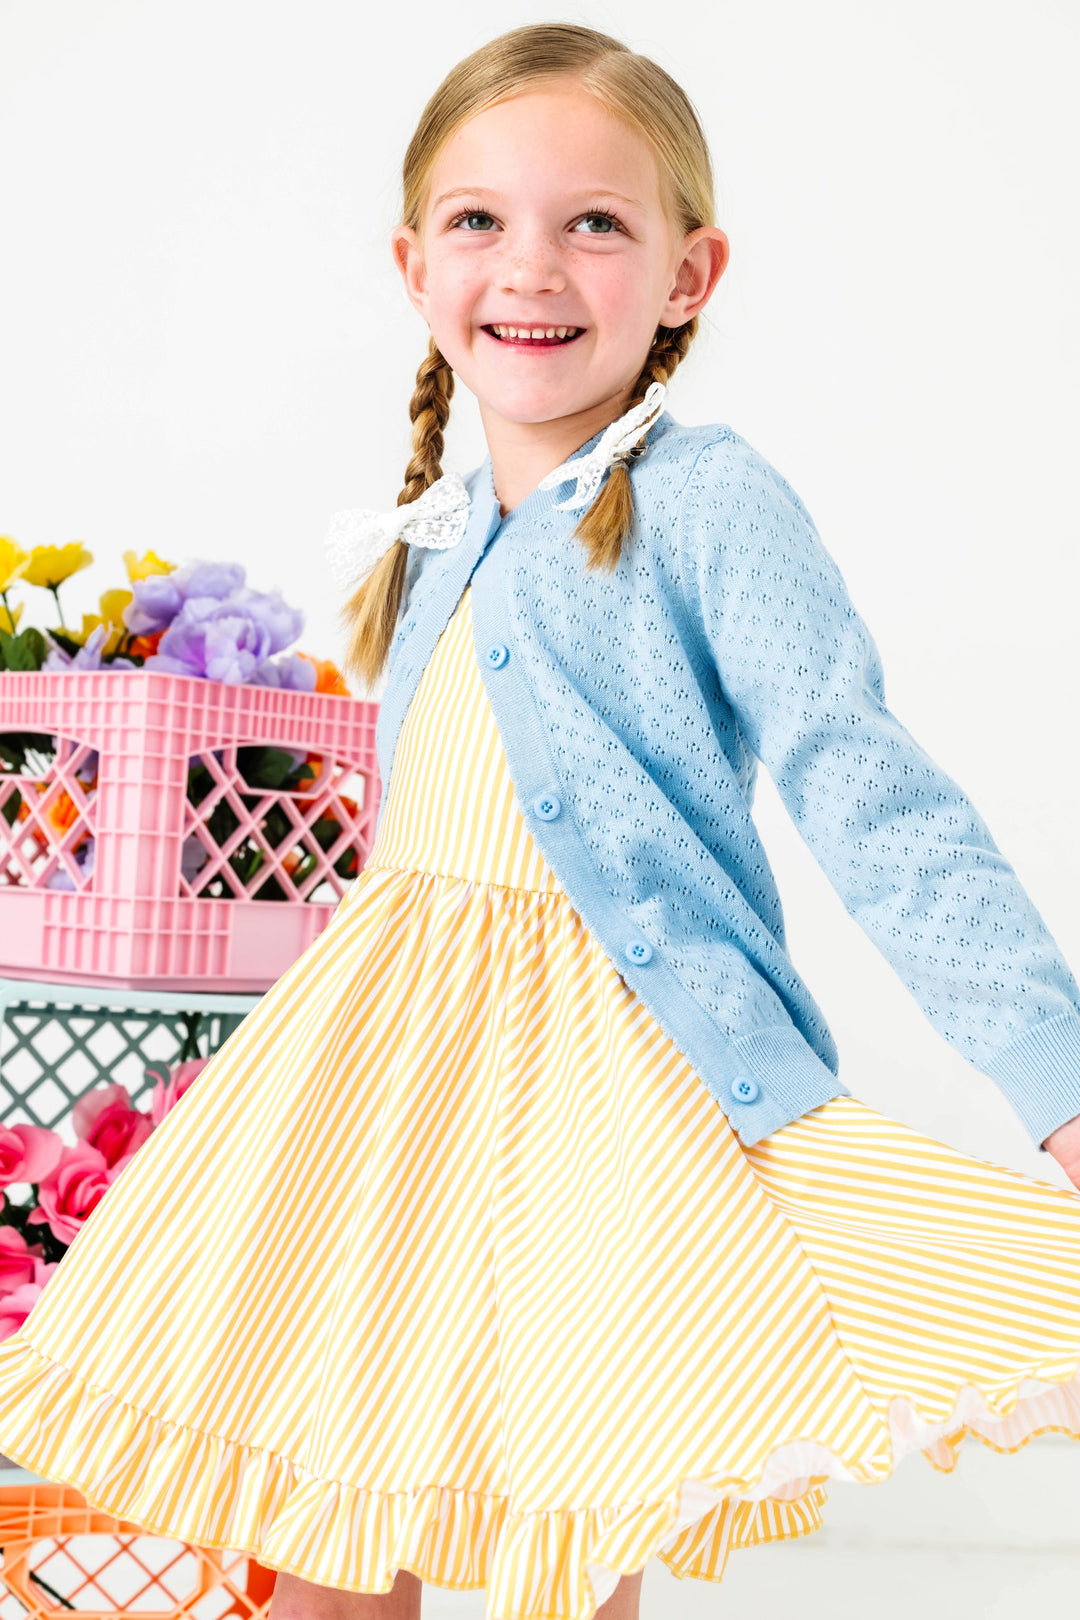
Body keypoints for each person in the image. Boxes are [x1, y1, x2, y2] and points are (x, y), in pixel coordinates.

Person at [0, 20, 1077, 1620]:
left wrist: (1052, 1081)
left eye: (596, 221)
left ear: (688, 273)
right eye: (482, 220)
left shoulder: (709, 500)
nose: (537, 265)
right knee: (331, 1495)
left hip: (599, 1075)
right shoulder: (439, 529)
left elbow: (869, 787)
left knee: (553, 1512)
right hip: (392, 1075)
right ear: (414, 265)